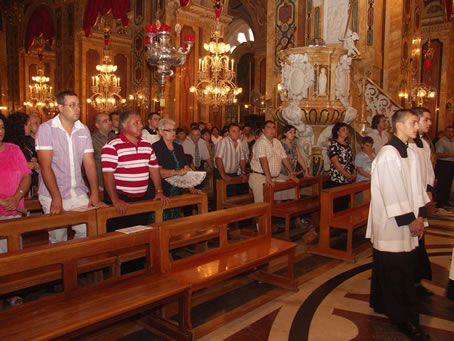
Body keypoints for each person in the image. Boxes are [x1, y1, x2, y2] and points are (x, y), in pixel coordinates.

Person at [367, 109, 430, 341]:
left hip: (410, 221)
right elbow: (391, 192)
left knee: (403, 271)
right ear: (399, 125)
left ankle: (391, 308)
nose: (417, 127)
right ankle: (403, 319)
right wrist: (409, 220)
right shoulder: (387, 155)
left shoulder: (411, 152)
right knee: (395, 274)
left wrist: (421, 215)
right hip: (393, 225)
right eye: (413, 122)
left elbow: (417, 187)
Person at [36, 90, 105, 243]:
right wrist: (56, 196)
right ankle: (61, 265)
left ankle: (78, 264)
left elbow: (89, 163)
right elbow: (45, 166)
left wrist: (94, 193)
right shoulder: (46, 129)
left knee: (88, 231)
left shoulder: (83, 129)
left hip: (77, 192)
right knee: (58, 237)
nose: (77, 109)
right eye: (72, 105)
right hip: (52, 192)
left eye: (78, 105)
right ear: (60, 107)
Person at [101, 111, 169, 231]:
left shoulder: (147, 145)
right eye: (136, 123)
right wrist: (115, 199)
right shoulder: (112, 146)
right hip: (122, 198)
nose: (141, 125)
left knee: (140, 232)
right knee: (120, 236)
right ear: (125, 126)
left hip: (142, 198)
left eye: (140, 122)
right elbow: (107, 175)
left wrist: (159, 191)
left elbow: (154, 169)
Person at [409, 107, 436, 297]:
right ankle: (409, 283)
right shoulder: (407, 146)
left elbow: (428, 169)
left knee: (420, 240)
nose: (430, 123)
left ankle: (416, 281)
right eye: (426, 119)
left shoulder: (424, 144)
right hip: (411, 200)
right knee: (411, 240)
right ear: (416, 121)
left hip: (421, 199)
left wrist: (429, 188)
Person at [152, 119, 201, 220]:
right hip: (162, 190)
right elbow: (157, 172)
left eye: (174, 130)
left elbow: (185, 169)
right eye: (168, 130)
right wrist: (176, 172)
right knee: (161, 221)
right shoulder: (156, 147)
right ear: (160, 132)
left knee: (175, 220)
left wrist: (192, 188)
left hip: (177, 191)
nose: (172, 133)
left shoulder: (178, 148)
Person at [0, 113, 32, 253]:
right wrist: (2, 201)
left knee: (14, 255)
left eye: (1, 127)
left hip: (13, 211)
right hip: (4, 207)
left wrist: (17, 197)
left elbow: (26, 175)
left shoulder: (13, 149)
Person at [249, 120, 298, 203]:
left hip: (274, 177)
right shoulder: (261, 142)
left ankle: (287, 212)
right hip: (260, 176)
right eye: (269, 127)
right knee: (263, 205)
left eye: (273, 128)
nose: (272, 130)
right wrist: (268, 177)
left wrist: (292, 173)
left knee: (292, 188)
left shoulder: (277, 142)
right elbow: (263, 160)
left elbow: (285, 158)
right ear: (263, 130)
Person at [213, 123, 248, 205]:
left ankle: (232, 216)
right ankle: (218, 216)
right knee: (219, 199)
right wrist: (223, 175)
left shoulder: (240, 143)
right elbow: (218, 159)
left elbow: (242, 159)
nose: (236, 133)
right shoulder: (223, 142)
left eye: (238, 131)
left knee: (232, 198)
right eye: (233, 131)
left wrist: (243, 172)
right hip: (220, 173)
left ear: (240, 133)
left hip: (233, 173)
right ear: (228, 133)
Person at [5, 112, 39, 191]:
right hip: (16, 186)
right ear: (20, 126)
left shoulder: (24, 142)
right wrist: (26, 165)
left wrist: (34, 160)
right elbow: (8, 166)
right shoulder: (10, 145)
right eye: (27, 125)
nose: (30, 128)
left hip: (29, 184)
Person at [275, 125, 310, 201]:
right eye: (290, 132)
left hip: (291, 174)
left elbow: (299, 157)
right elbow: (282, 160)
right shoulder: (280, 144)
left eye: (294, 132)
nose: (293, 134)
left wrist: (306, 170)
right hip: (282, 173)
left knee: (292, 197)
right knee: (279, 198)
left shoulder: (294, 144)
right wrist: (290, 173)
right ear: (285, 133)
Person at [327, 122, 356, 211]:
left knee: (345, 204)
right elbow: (336, 163)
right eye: (343, 129)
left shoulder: (347, 145)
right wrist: (346, 174)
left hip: (348, 179)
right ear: (338, 132)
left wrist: (354, 172)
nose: (346, 131)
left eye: (347, 129)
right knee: (337, 205)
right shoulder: (334, 145)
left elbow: (352, 161)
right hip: (337, 178)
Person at [91, 113, 115, 190]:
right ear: (97, 125)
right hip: (102, 183)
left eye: (109, 120)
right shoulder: (92, 139)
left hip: (117, 180)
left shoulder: (115, 137)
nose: (110, 123)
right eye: (105, 121)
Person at [435, 126, 454, 208]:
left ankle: (446, 200)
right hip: (444, 164)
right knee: (442, 184)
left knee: (449, 183)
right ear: (445, 132)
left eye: (452, 131)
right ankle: (440, 202)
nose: (450, 133)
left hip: (451, 165)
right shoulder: (441, 141)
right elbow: (438, 154)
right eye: (448, 131)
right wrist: (451, 155)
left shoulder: (453, 141)